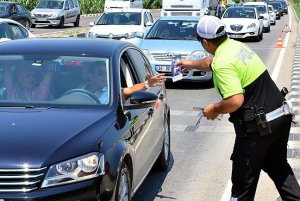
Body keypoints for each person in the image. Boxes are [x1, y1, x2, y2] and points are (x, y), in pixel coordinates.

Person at [176, 15, 300, 201]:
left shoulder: (222, 62)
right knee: (278, 167)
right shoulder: (233, 47)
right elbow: (209, 62)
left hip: (257, 130)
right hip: (279, 118)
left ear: (205, 42)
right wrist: (188, 64)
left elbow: (235, 100)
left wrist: (214, 109)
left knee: (242, 186)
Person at [85, 62, 165, 103]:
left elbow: (130, 90)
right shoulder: (77, 89)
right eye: (100, 73)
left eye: (107, 74)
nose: (105, 77)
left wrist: (148, 84)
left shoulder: (112, 92)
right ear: (90, 76)